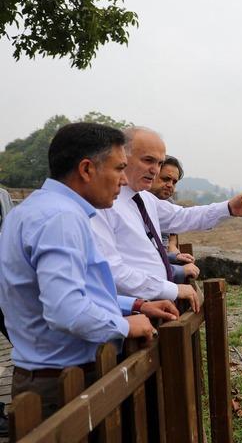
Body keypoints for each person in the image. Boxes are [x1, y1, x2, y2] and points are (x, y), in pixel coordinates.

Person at [0, 123, 179, 419]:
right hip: (65, 381)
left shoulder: (30, 210)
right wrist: (124, 326)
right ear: (86, 169)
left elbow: (73, 291)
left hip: (45, 373)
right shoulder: (61, 219)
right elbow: (66, 308)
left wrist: (136, 305)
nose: (124, 179)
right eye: (119, 168)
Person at [92, 127, 242, 312]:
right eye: (148, 160)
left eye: (159, 163)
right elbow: (111, 270)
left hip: (156, 302)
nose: (154, 170)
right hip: (133, 310)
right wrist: (171, 289)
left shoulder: (144, 198)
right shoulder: (102, 203)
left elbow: (182, 217)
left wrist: (228, 208)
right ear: (122, 157)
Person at [148, 155, 193, 282]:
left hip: (164, 258)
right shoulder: (137, 203)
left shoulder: (170, 204)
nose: (170, 185)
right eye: (165, 179)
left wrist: (175, 254)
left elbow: (172, 241)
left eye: (174, 182)